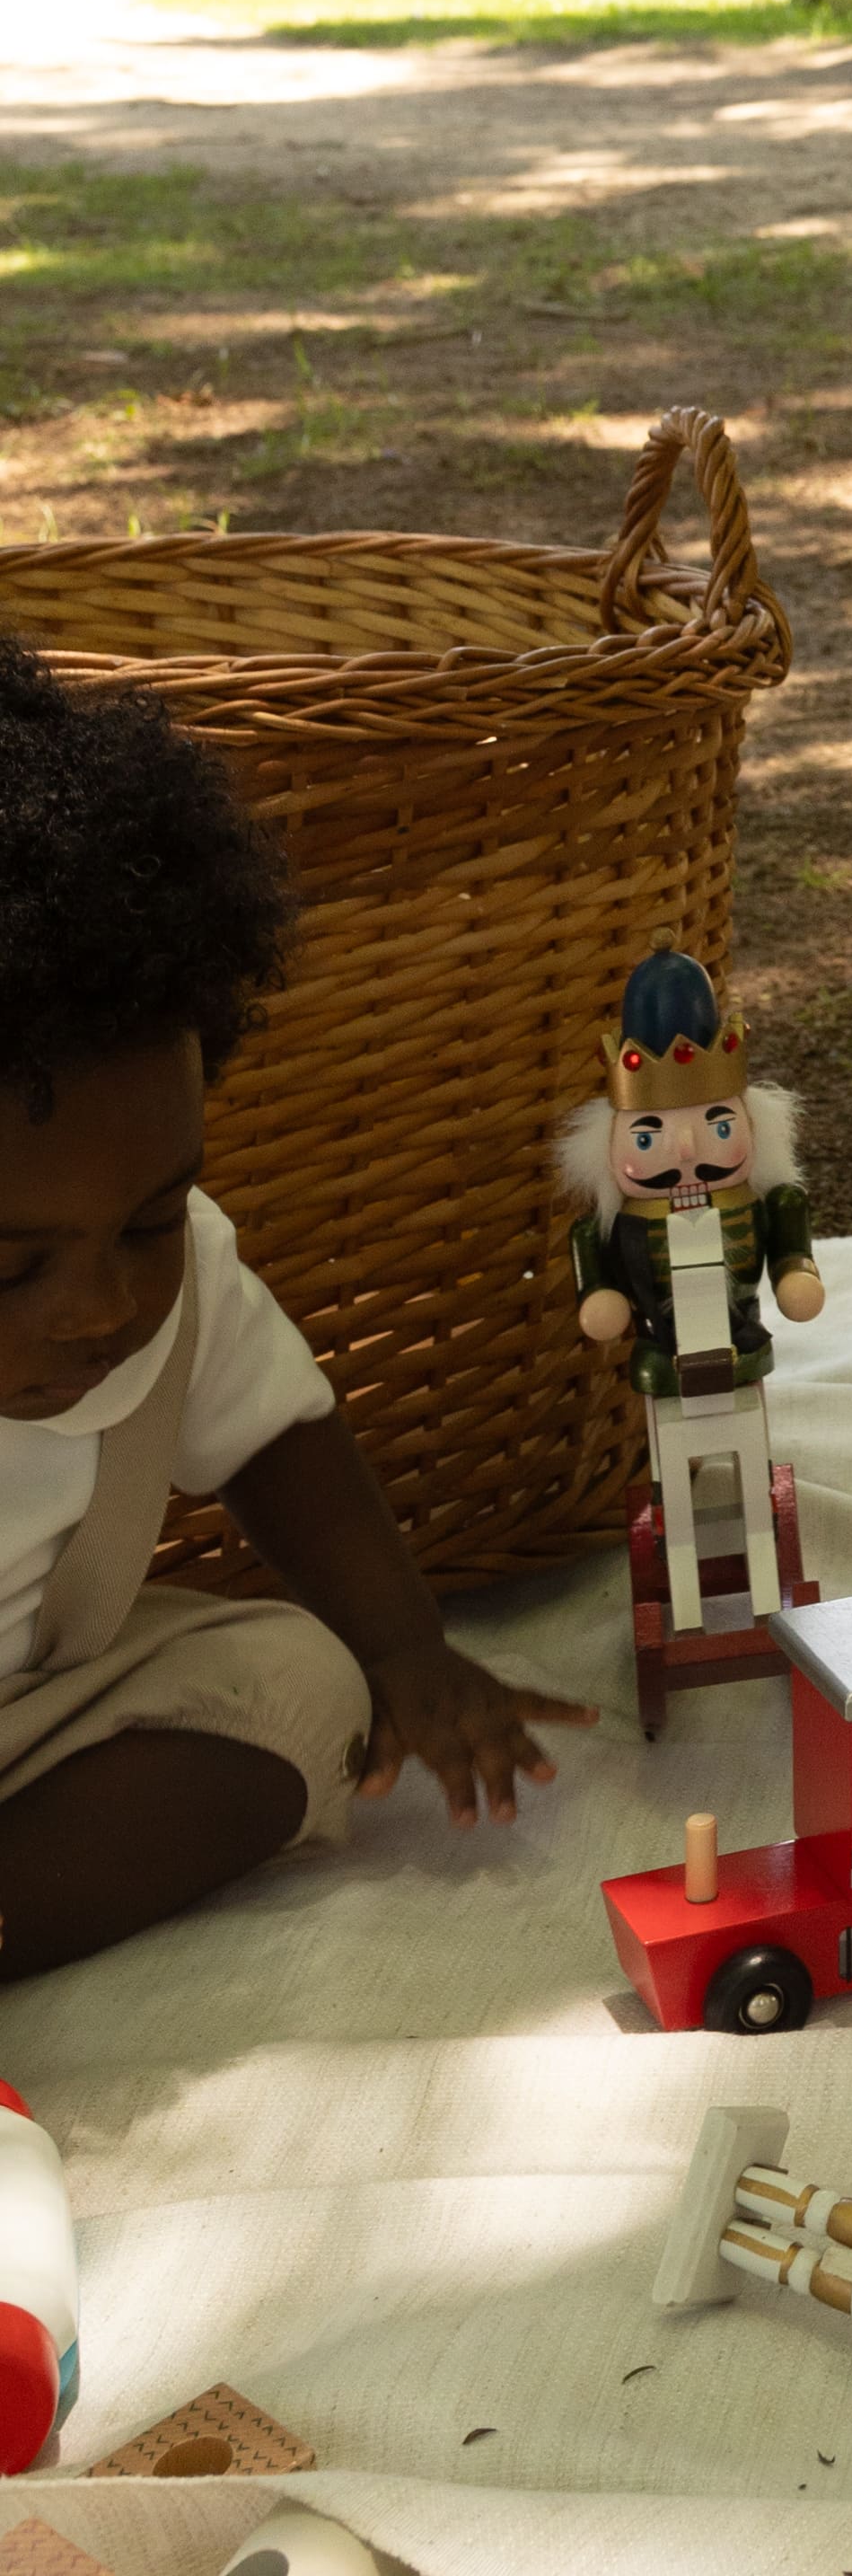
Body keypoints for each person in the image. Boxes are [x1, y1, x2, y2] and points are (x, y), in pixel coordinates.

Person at [0, 637, 589, 1976]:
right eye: (10, 1266)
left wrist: (406, 1649)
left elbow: (280, 1441)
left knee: (301, 1690)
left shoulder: (185, 1284)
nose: (101, 1309)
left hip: (32, 1721)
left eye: (147, 1222)